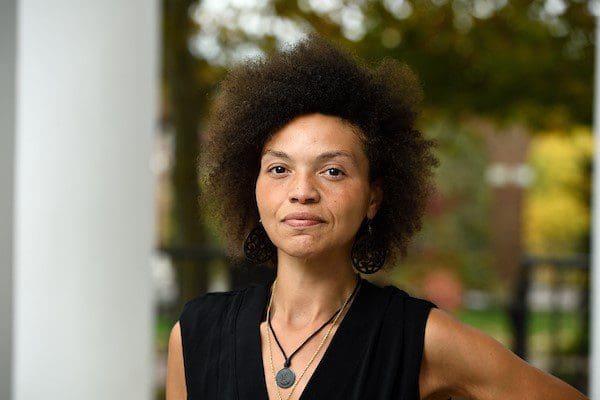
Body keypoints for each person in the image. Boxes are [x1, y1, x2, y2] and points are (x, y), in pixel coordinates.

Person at [166, 32, 588, 400]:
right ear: (252, 187)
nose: (302, 192)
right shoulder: (196, 333)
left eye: (332, 171)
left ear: (373, 197)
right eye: (279, 169)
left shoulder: (419, 339)